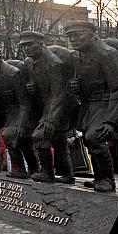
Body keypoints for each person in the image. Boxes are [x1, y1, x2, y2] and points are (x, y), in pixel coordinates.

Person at [66, 21, 118, 193]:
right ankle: (98, 178)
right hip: (89, 105)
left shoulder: (107, 54)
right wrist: (77, 87)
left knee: (94, 137)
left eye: (77, 34)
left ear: (91, 34)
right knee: (88, 140)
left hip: (107, 103)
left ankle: (108, 180)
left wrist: (111, 121)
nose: (73, 39)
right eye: (70, 36)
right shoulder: (76, 56)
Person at [19, 31, 78, 184]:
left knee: (40, 135)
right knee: (59, 141)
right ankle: (67, 175)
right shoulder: (29, 62)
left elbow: (59, 93)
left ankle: (47, 174)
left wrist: (51, 120)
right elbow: (38, 85)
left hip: (61, 106)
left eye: (30, 44)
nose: (26, 48)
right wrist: (33, 87)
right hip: (46, 105)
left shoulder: (53, 62)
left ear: (40, 43)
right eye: (24, 45)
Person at [0, 46, 34, 179]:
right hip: (1, 111)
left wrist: (21, 123)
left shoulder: (13, 74)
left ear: (0, 57)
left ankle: (22, 170)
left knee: (12, 135)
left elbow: (24, 103)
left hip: (17, 111)